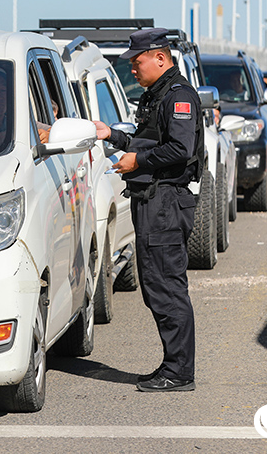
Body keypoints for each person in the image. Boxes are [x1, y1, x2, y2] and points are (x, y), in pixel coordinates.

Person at [93, 28, 203, 393]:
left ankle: (179, 371)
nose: (133, 69)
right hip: (154, 201)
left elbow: (179, 150)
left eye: (137, 62)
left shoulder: (178, 96)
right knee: (156, 284)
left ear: (160, 57)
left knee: (166, 286)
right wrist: (112, 135)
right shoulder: (157, 95)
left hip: (166, 203)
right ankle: (174, 365)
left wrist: (137, 160)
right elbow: (151, 141)